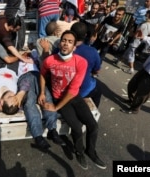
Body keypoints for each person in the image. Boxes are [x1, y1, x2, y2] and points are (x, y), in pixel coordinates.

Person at [38, 30, 106, 170]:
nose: (65, 44)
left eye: (70, 42)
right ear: (60, 42)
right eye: (63, 40)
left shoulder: (80, 62)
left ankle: (91, 151)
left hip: (74, 97)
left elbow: (73, 90)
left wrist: (56, 108)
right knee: (76, 128)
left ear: (74, 47)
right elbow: (42, 74)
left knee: (93, 125)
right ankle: (79, 151)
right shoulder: (50, 60)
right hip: (60, 98)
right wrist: (42, 92)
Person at [0, 59, 65, 150]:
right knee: (29, 103)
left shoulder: (31, 57)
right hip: (25, 78)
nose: (13, 96)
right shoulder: (17, 62)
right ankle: (39, 136)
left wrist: (29, 58)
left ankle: (52, 131)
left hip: (37, 77)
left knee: (45, 98)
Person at [120, 35, 150, 114]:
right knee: (132, 84)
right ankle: (131, 100)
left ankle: (134, 109)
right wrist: (143, 37)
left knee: (142, 93)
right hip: (146, 68)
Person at [71, 22, 102, 108]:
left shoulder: (61, 48)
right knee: (98, 89)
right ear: (85, 35)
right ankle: (93, 112)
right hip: (82, 89)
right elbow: (97, 70)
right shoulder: (93, 51)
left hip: (63, 88)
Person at [114, 10, 150, 74]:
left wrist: (131, 32)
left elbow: (137, 34)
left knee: (131, 55)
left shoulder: (144, 24)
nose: (145, 15)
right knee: (128, 51)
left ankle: (131, 68)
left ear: (149, 16)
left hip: (136, 41)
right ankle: (119, 60)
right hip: (141, 42)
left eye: (147, 14)